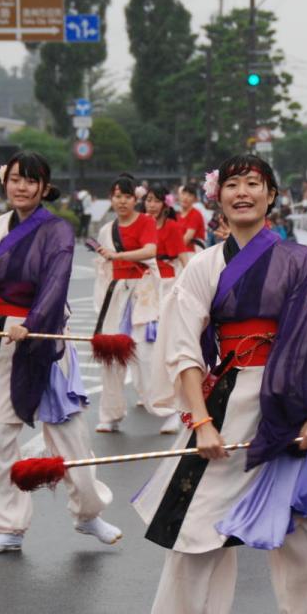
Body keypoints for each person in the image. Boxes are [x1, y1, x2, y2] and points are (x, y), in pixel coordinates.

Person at [132, 153, 307, 614]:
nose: (243, 192)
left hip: (289, 407)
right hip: (224, 407)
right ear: (219, 197)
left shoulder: (300, 260)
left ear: (272, 196)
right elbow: (184, 350)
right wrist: (201, 422)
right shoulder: (203, 266)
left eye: (254, 183)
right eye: (233, 184)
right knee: (194, 544)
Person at [0, 151, 119, 555]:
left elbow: (56, 282)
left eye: (31, 181)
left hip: (46, 338)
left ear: (44, 187)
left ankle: (88, 514)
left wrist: (32, 324)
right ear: (5, 182)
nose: (22, 187)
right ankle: (8, 526)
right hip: (0, 335)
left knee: (70, 436)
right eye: (16, 179)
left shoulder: (57, 231)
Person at [92, 173, 159, 433]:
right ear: (112, 198)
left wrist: (117, 255)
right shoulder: (106, 229)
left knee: (146, 355)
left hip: (142, 295)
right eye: (117, 196)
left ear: (135, 198)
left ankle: (168, 409)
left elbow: (150, 251)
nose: (121, 201)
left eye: (127, 196)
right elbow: (103, 268)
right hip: (116, 295)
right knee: (112, 353)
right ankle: (111, 414)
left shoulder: (146, 222)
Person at [143, 184, 186, 435]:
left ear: (165, 204)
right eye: (148, 200)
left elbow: (183, 257)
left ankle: (173, 409)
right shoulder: (141, 225)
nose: (151, 205)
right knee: (142, 347)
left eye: (156, 200)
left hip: (167, 284)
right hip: (143, 286)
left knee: (166, 343)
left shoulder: (172, 227)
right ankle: (151, 394)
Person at [175, 184, 206, 264]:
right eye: (183, 194)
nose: (185, 197)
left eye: (189, 195)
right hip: (180, 254)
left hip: (193, 254)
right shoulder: (177, 215)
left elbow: (187, 238)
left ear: (195, 199)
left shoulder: (195, 214)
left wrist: (172, 251)